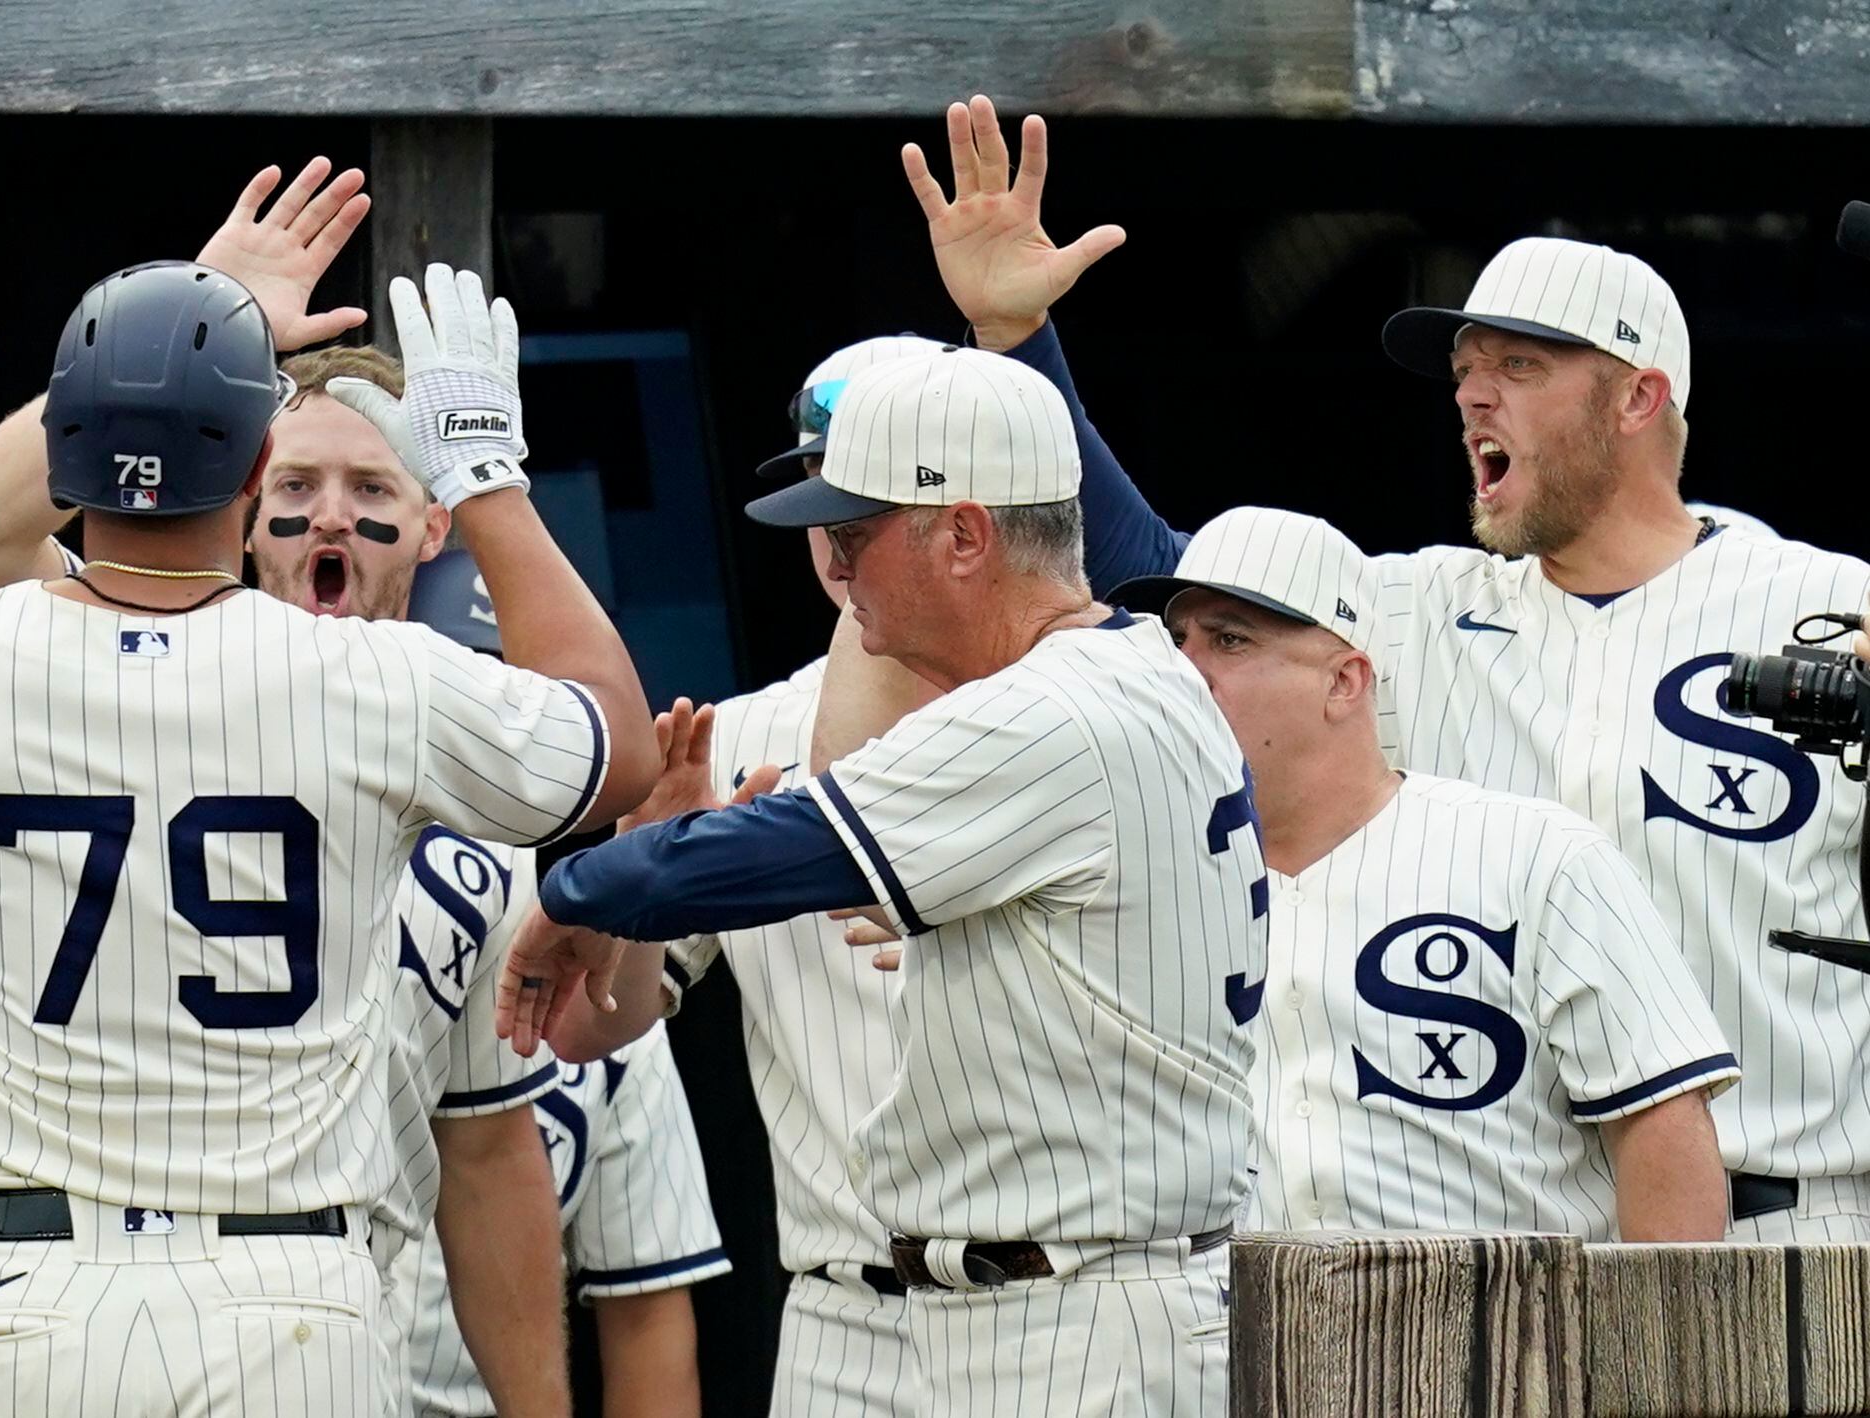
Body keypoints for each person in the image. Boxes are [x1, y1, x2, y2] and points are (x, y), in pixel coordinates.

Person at [0, 159, 652, 1413]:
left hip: (23, 1298)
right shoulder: (377, 676)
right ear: (262, 457)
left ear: (60, 451)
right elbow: (618, 737)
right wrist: (485, 472)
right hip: (286, 1296)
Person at [918, 93, 1870, 1243]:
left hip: (1796, 1222)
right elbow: (1170, 578)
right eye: (1467, 368)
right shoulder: (1415, 611)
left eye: (1520, 363)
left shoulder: (1831, 605)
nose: (1472, 393)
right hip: (1530, 1233)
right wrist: (1024, 349)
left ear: (1638, 396)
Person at [499, 346, 1266, 1417]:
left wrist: (583, 884)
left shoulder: (1060, 705)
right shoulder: (1136, 670)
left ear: (964, 532)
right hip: (963, 1301)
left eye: (859, 531)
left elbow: (782, 846)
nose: (835, 563)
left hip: (1088, 1309)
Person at [1113, 507, 1738, 1241]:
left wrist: (1652, 1354)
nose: (1188, 670)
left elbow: (1661, 1128)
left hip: (1506, 1337)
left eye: (1230, 640)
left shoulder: (1533, 854)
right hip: (1246, 1340)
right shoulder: (1144, 883)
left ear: (1345, 682)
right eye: (1177, 640)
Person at [541, 332, 941, 1418]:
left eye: (866, 507)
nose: (838, 543)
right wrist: (637, 863)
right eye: (821, 502)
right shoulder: (744, 731)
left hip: (1064, 1295)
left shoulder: (1077, 710)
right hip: (841, 1318)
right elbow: (587, 1026)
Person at [394, 558, 731, 1418]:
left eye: (520, 707)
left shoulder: (601, 1008)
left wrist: (640, 894)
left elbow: (647, 1315)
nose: (494, 743)